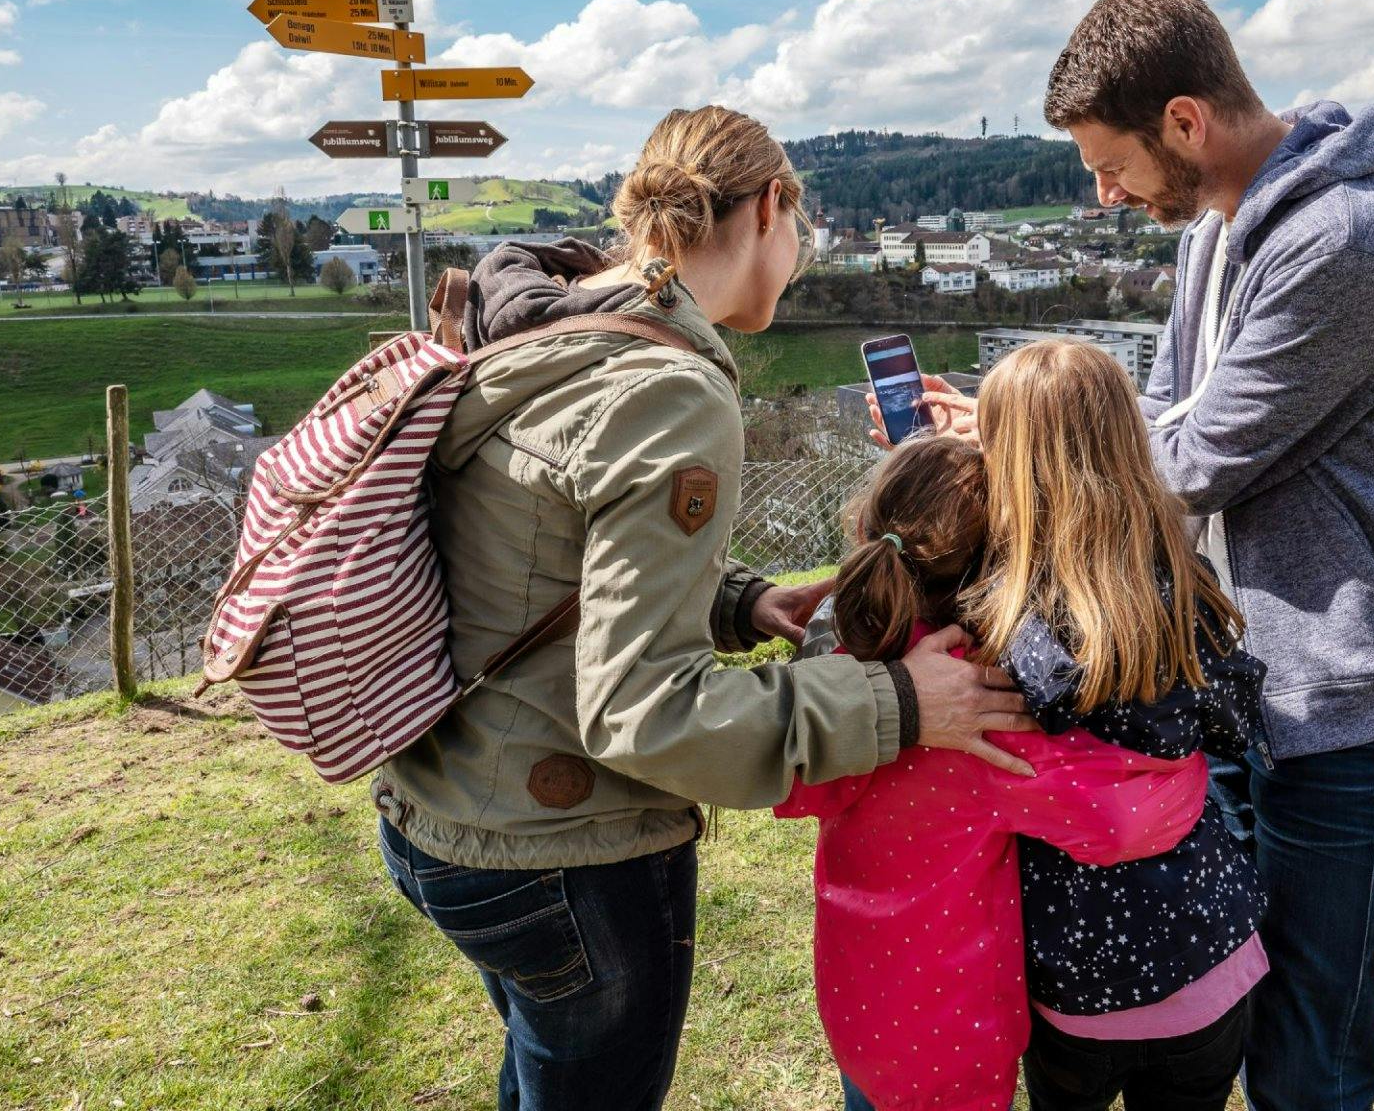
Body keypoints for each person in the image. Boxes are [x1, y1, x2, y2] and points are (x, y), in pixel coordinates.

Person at [894, 0, 1374, 1110]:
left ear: (1184, 121)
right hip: (1236, 677)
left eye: (1106, 161)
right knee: (1221, 996)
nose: (1103, 191)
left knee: (1307, 1050)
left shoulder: (1352, 241)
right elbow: (1159, 412)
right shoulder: (1216, 232)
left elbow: (1189, 462)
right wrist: (1055, 430)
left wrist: (1024, 435)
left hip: (1349, 699)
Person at [371, 105, 1037, 1111]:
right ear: (774, 207)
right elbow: (642, 714)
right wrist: (897, 703)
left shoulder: (557, 325)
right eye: (799, 226)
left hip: (441, 805)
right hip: (565, 854)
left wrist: (741, 603)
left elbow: (545, 552)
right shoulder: (667, 388)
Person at [777, 432, 1212, 1111]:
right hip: (957, 1024)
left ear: (864, 528)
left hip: (855, 995)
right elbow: (1113, 824)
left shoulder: (845, 678)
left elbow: (797, 784)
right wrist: (1190, 772)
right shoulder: (981, 703)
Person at [970, 339, 1270, 1111]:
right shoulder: (1182, 582)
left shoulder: (1003, 609)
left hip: (1075, 979)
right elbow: (1235, 721)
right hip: (1209, 964)